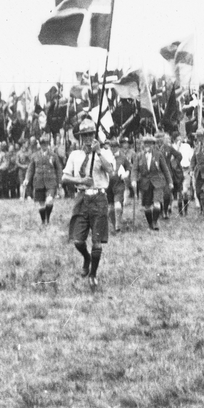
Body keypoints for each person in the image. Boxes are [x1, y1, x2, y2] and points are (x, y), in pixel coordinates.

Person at [61, 118, 116, 289]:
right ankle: (86, 258)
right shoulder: (75, 155)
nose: (87, 138)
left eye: (90, 134)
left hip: (99, 198)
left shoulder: (104, 152)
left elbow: (111, 171)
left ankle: (93, 274)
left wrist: (99, 152)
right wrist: (80, 180)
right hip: (82, 198)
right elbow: (64, 177)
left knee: (97, 241)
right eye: (84, 135)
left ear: (95, 135)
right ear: (80, 137)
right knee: (78, 240)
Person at [131, 132, 173, 231]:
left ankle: (155, 222)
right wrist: (133, 180)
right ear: (142, 144)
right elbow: (134, 169)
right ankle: (150, 223)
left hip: (157, 182)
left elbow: (165, 169)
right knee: (147, 207)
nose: (147, 146)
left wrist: (170, 182)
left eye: (149, 144)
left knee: (157, 203)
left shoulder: (158, 155)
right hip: (145, 183)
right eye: (145, 143)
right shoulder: (139, 156)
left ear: (153, 145)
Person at [24, 137, 62, 227]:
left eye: (45, 144)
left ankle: (47, 218)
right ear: (39, 145)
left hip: (51, 182)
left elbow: (59, 169)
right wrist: (27, 179)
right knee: (41, 204)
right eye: (42, 144)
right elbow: (30, 169)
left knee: (49, 201)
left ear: (48, 144)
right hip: (38, 181)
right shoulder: (35, 156)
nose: (43, 146)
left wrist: (59, 182)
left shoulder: (53, 155)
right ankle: (43, 221)